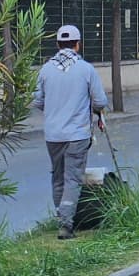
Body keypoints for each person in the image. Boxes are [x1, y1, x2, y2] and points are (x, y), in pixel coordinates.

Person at [32, 24, 109, 240]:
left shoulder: (45, 70)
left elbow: (38, 101)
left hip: (53, 135)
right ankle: (66, 225)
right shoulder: (86, 69)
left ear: (57, 45)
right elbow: (100, 101)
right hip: (77, 134)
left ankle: (61, 218)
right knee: (73, 179)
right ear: (78, 44)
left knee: (57, 178)